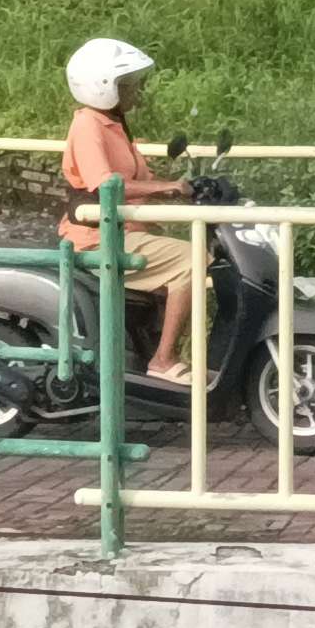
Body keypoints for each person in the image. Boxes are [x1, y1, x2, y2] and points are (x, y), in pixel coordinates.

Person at [59, 37, 195, 380]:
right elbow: (105, 184)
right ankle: (163, 360)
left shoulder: (116, 126)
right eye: (128, 84)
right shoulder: (88, 125)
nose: (136, 90)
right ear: (104, 87)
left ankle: (155, 352)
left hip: (123, 233)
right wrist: (165, 188)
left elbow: (143, 182)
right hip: (96, 239)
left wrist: (177, 189)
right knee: (191, 261)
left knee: (198, 260)